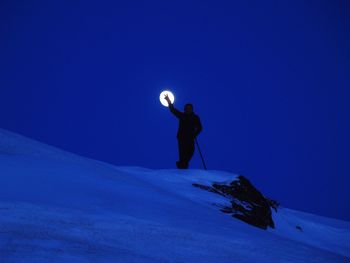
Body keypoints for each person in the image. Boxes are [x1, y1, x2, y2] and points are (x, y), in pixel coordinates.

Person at [164, 94, 202, 169]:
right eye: (186, 108)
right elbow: (173, 110)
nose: (187, 110)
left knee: (191, 152)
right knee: (183, 154)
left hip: (191, 138)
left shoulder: (195, 117)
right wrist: (168, 101)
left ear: (192, 109)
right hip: (182, 138)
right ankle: (183, 167)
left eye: (189, 108)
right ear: (184, 109)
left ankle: (182, 165)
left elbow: (200, 127)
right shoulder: (182, 116)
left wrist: (195, 134)